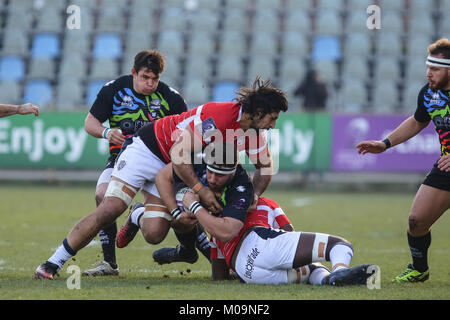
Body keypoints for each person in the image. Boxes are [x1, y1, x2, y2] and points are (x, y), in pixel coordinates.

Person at [34, 76, 288, 280]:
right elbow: (179, 153)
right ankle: (52, 263)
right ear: (257, 111)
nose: (273, 125)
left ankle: (139, 216)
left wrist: (254, 195)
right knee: (111, 208)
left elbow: (265, 168)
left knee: (156, 233)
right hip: (148, 149)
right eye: (272, 118)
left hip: (176, 166)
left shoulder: (254, 133)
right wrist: (201, 189)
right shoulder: (218, 119)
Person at [164, 150, 377, 286]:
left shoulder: (214, 227)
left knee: (311, 269)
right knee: (339, 245)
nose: (212, 179)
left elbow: (219, 276)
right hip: (260, 246)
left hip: (247, 272)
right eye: (211, 173)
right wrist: (193, 206)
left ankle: (328, 280)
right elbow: (288, 232)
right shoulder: (266, 204)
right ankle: (340, 271)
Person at [81, 50, 188, 277]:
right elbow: (90, 122)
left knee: (161, 227)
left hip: (161, 165)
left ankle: (139, 216)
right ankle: (109, 264)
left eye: (155, 79)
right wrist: (106, 132)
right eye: (145, 78)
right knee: (102, 196)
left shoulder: (171, 97)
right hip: (122, 160)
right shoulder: (114, 89)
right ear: (133, 73)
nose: (150, 84)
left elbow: (188, 133)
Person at [356, 38, 450, 283]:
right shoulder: (429, 93)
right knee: (416, 221)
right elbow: (418, 121)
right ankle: (419, 269)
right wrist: (384, 143)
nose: (428, 74)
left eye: (435, 69)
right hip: (446, 166)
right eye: (428, 68)